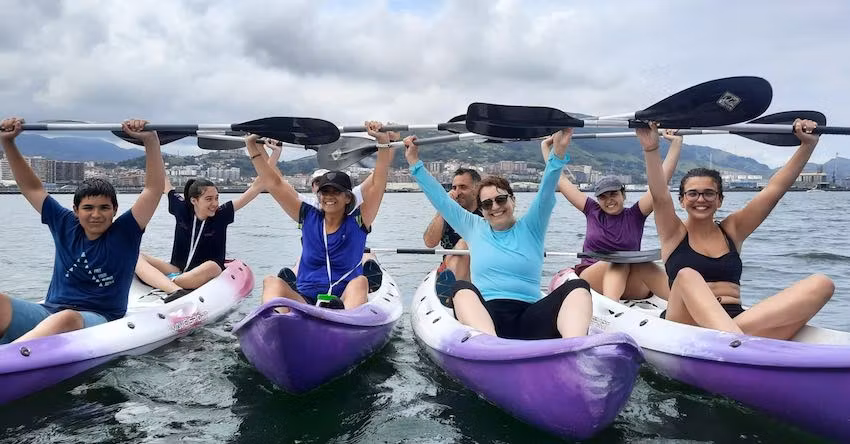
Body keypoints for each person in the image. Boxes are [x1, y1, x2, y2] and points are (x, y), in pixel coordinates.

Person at [640, 119, 834, 338]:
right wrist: (651, 148)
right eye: (693, 193)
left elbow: (774, 190)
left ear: (720, 200)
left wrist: (807, 146)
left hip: (735, 323)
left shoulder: (733, 230)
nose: (700, 199)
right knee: (686, 275)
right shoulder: (673, 232)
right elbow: (659, 195)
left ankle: (736, 343)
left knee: (822, 284)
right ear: (682, 201)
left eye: (709, 193)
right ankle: (739, 345)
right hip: (685, 325)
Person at [404, 129, 592, 339]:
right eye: (487, 203)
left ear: (512, 200)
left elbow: (547, 188)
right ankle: (490, 347)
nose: (495, 207)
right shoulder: (475, 227)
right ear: (481, 209)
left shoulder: (532, 226)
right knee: (462, 289)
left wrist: (558, 151)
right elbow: (440, 199)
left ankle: (574, 348)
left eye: (500, 200)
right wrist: (414, 162)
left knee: (578, 287)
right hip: (486, 316)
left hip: (528, 317)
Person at [0, 117, 165, 344]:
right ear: (76, 210)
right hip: (49, 313)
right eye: (88, 208)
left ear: (115, 210)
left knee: (66, 318)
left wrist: (150, 140)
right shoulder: (64, 224)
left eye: (104, 208)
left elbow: (153, 190)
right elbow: (31, 187)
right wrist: (7, 142)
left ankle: (8, 361)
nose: (96, 215)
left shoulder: (125, 232)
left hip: (100, 319)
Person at [248, 122, 397, 309]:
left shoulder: (359, 220)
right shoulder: (307, 215)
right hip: (306, 299)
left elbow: (377, 182)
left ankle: (345, 325)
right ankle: (275, 323)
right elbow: (274, 183)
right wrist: (252, 147)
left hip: (343, 299)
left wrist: (383, 143)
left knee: (360, 282)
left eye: (335, 192)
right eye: (325, 192)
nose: (329, 197)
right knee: (271, 282)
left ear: (347, 197)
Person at [541, 130, 683, 301]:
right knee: (619, 260)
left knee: (644, 264)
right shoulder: (592, 210)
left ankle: (683, 306)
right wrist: (546, 147)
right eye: (603, 196)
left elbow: (661, 181)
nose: (609, 200)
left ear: (623, 195)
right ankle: (611, 308)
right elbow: (561, 180)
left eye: (613, 194)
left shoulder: (635, 214)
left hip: (630, 283)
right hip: (593, 277)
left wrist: (676, 145)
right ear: (598, 199)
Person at [134, 144, 282, 300]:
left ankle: (165, 283)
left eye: (217, 198)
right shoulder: (181, 208)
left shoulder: (221, 214)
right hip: (178, 269)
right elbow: (162, 178)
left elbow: (257, 186)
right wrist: (151, 143)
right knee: (135, 255)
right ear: (194, 200)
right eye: (209, 199)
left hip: (208, 270)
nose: (215, 203)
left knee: (211, 265)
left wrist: (275, 155)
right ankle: (173, 286)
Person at [423, 167, 482, 281]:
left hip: (478, 269)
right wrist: (444, 207)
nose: (457, 192)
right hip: (450, 266)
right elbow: (430, 242)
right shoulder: (447, 214)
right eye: (454, 188)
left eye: (463, 187)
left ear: (477, 189)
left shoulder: (486, 214)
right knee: (461, 245)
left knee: (464, 243)